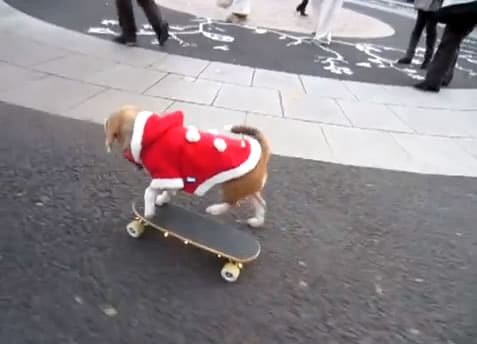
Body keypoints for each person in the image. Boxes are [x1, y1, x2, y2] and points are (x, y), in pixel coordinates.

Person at [414, 0, 477, 92]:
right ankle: (445, 76)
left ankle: (433, 82)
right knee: (454, 43)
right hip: (470, 9)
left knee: (448, 44)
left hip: (462, 8)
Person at [397, 0, 443, 69]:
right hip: (426, 4)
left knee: (428, 31)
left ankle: (426, 59)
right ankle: (413, 56)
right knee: (421, 29)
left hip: (433, 5)